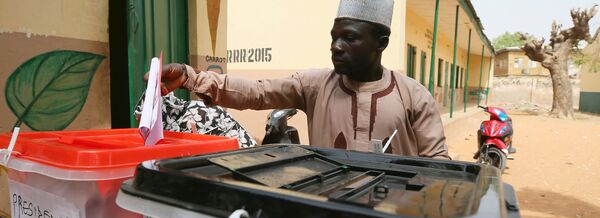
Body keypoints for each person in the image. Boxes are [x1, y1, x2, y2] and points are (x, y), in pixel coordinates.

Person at [151, 0, 449, 159]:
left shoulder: (414, 96)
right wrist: (192, 78)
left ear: (380, 43)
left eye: (349, 38)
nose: (336, 46)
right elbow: (257, 92)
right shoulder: (316, 86)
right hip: (328, 216)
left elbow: (439, 167)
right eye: (334, 38)